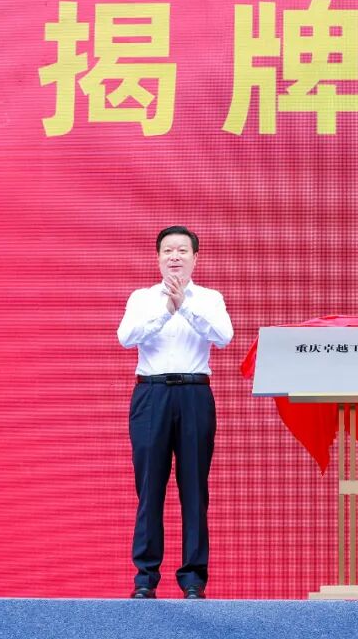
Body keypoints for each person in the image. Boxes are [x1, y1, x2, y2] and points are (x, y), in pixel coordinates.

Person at [117, 226, 233, 599]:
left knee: (194, 487)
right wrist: (167, 311)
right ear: (158, 258)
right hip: (151, 394)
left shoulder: (210, 298)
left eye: (183, 250)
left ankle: (193, 579)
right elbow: (126, 337)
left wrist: (185, 305)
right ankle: (145, 577)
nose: (175, 256)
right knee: (149, 487)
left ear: (195, 258)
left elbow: (224, 336)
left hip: (195, 394)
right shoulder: (142, 298)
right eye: (168, 250)